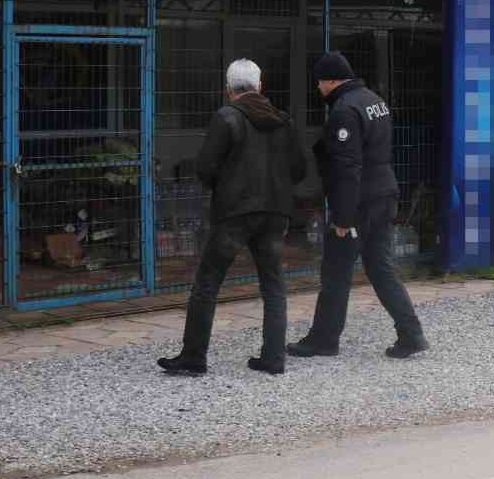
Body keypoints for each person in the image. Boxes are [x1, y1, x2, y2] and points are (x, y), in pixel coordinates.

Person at [158, 59, 306, 376]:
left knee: (208, 283)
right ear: (260, 86)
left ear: (229, 89)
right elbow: (299, 170)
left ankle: (194, 358)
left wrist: (224, 189)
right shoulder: (284, 121)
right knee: (274, 286)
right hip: (275, 214)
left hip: (235, 214)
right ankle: (273, 358)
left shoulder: (226, 118)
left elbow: (205, 168)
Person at [288, 52, 429, 359]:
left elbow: (347, 168)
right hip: (384, 194)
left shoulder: (344, 111)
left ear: (330, 81)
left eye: (319, 83)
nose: (319, 89)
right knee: (381, 268)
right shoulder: (373, 100)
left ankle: (323, 339)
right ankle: (411, 333)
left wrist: (342, 217)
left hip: (360, 202)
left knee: (335, 272)